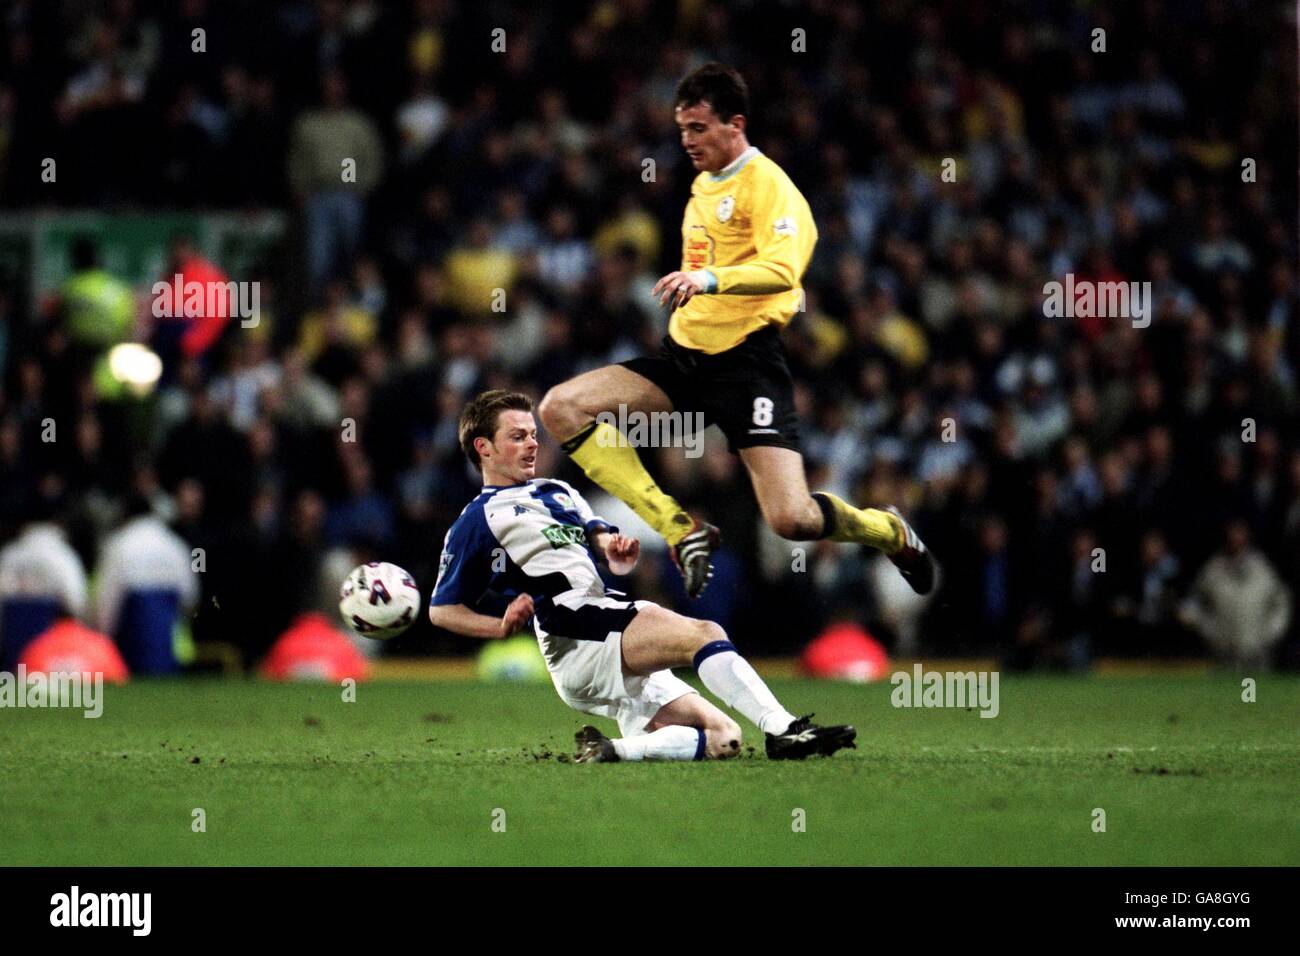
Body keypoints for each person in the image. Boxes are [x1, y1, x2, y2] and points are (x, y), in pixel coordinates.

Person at [538, 62, 934, 597]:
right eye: (682, 130)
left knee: (791, 520)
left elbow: (782, 269)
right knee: (560, 407)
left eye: (698, 128)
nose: (687, 141)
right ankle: (680, 529)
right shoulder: (702, 186)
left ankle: (887, 531)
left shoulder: (770, 187)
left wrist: (708, 278)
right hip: (685, 362)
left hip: (746, 369)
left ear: (736, 124)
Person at [427, 390, 857, 762]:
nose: (532, 444)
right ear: (483, 447)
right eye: (517, 436)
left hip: (600, 626)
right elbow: (442, 611)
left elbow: (599, 542)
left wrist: (615, 552)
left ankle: (615, 749)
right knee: (704, 633)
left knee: (724, 739)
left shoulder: (558, 491)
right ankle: (784, 731)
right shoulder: (478, 520)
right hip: (575, 630)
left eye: (534, 433)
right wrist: (499, 626)